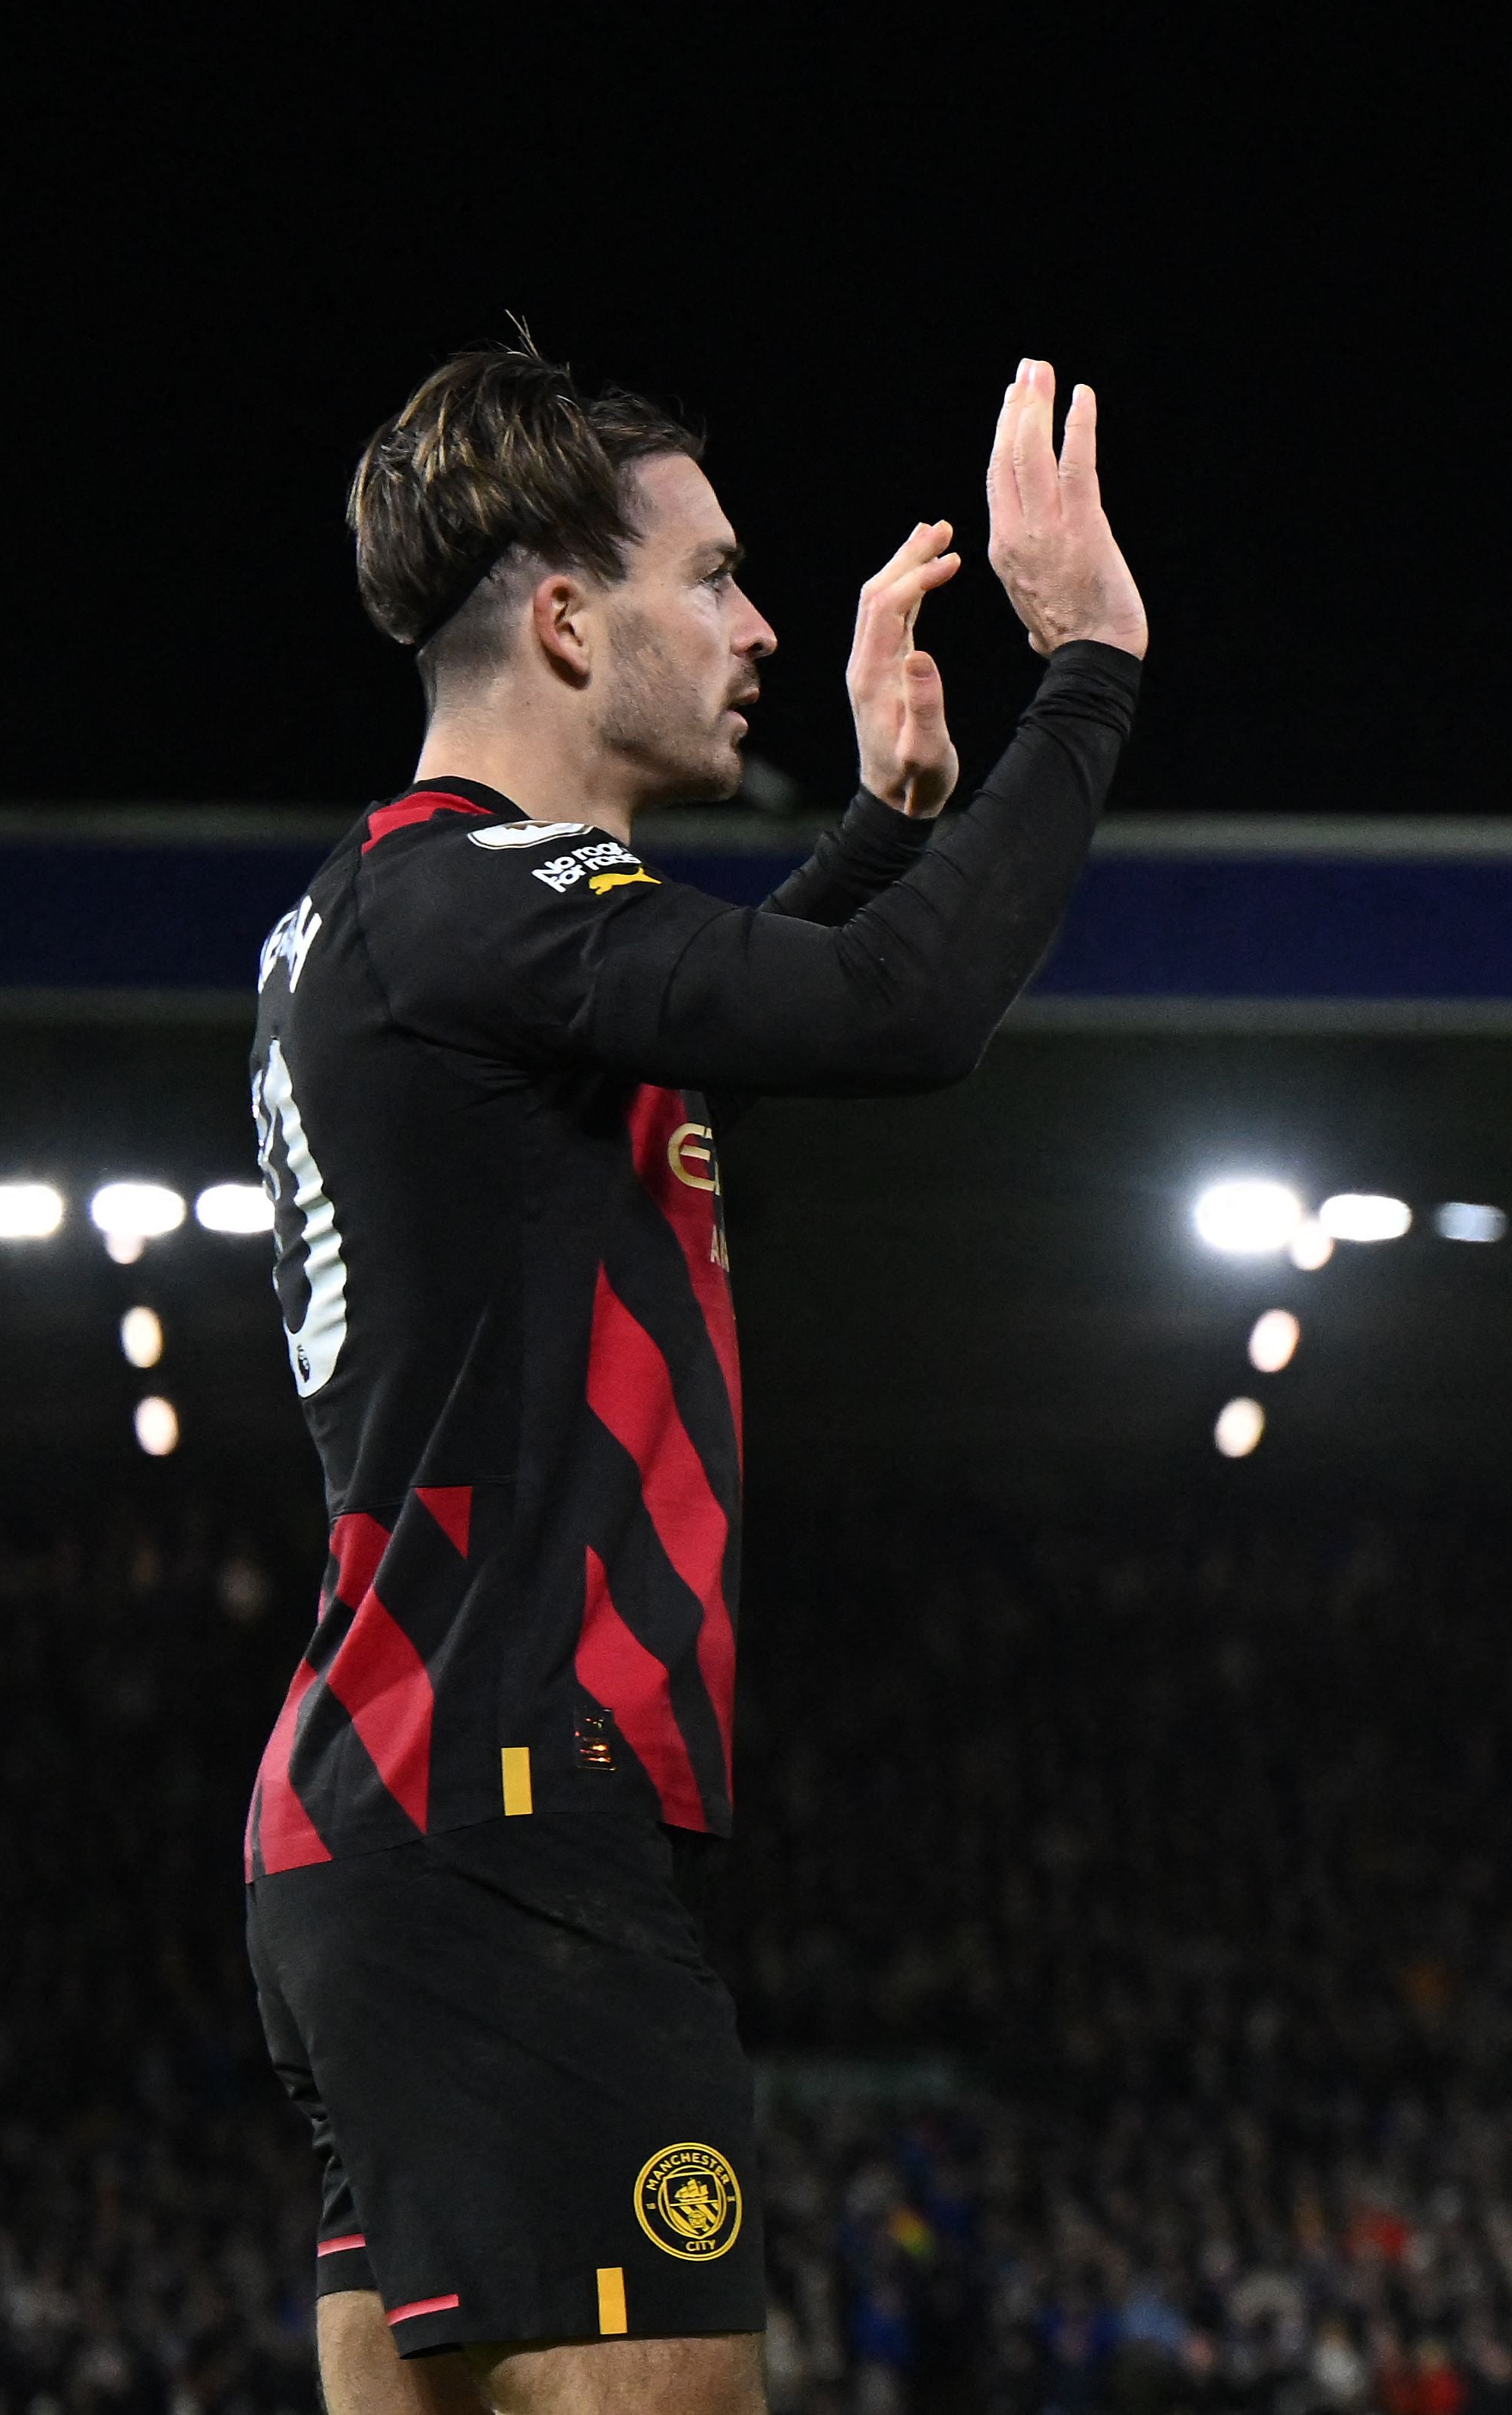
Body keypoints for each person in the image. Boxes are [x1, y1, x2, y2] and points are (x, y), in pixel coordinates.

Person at [243, 339, 1149, 2413]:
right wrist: (1088, 669)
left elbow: (691, 1021)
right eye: (718, 578)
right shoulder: (463, 900)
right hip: (500, 1827)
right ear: (568, 619)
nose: (761, 626)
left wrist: (874, 834)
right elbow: (897, 1016)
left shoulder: (377, 917)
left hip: (388, 1815)